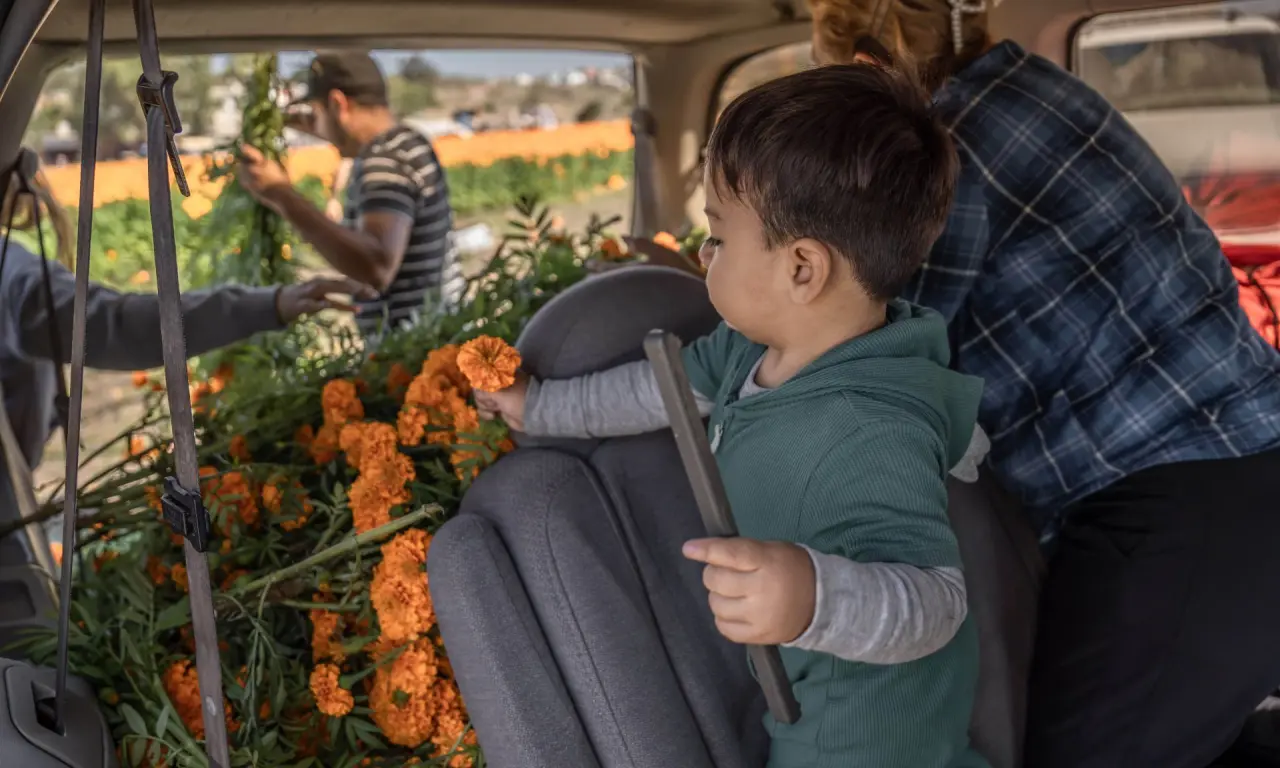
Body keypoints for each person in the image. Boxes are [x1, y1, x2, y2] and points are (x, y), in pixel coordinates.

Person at [807, 1, 1280, 766]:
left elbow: (877, 349)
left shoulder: (946, 150)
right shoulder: (1034, 88)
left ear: (865, 70)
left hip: (1178, 505)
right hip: (1238, 474)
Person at [477, 64, 991, 768]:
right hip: (802, 686)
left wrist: (813, 597)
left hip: (867, 727)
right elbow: (658, 391)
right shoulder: (754, 349)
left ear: (802, 270)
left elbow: (936, 602)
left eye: (717, 237)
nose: (701, 252)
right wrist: (539, 408)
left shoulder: (873, 428)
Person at [238, 51, 462, 339]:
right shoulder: (408, 141)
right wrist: (322, 121)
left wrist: (280, 194)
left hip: (410, 352)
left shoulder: (383, 159)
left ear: (337, 103)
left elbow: (376, 266)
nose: (313, 126)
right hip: (434, 337)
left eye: (317, 113)